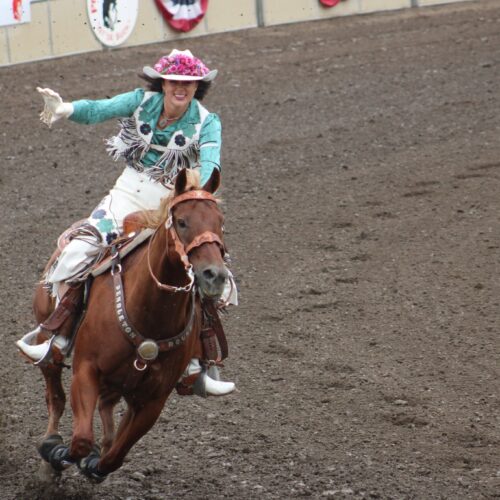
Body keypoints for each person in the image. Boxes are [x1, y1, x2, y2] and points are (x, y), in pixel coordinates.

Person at [16, 49, 236, 397]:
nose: (181, 87)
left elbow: (211, 161)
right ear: (163, 82)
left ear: (197, 87)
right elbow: (101, 109)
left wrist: (198, 193)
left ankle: (198, 364)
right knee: (80, 249)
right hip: (127, 196)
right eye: (175, 81)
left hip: (174, 204)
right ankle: (56, 335)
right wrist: (66, 109)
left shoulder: (208, 121)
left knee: (207, 273)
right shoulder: (140, 101)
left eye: (189, 82)